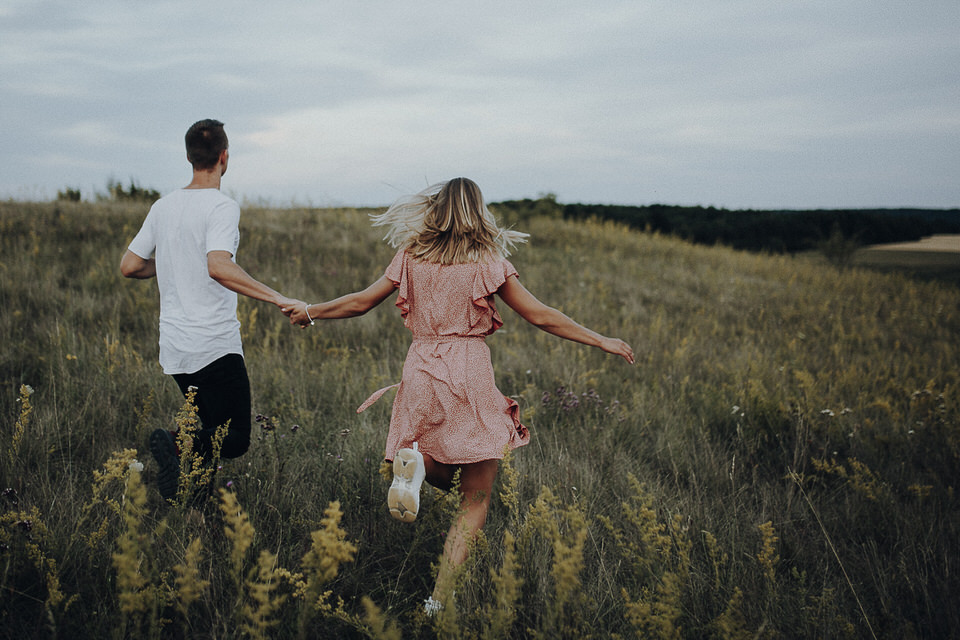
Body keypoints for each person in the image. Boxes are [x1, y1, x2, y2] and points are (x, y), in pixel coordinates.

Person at [284, 177, 634, 613]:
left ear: (436, 209)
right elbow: (541, 315)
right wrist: (600, 339)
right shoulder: (487, 262)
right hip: (467, 371)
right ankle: (438, 601)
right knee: (474, 498)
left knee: (442, 463)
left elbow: (360, 302)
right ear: (478, 211)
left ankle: (418, 466)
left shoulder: (411, 256)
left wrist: (311, 311)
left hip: (420, 368)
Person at [121, 118, 303, 501]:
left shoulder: (162, 207)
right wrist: (278, 298)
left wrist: (173, 261)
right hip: (214, 346)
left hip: (175, 350)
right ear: (224, 157)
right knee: (234, 437)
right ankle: (173, 443)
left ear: (189, 157)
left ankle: (196, 508)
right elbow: (218, 266)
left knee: (210, 429)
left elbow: (130, 265)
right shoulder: (222, 206)